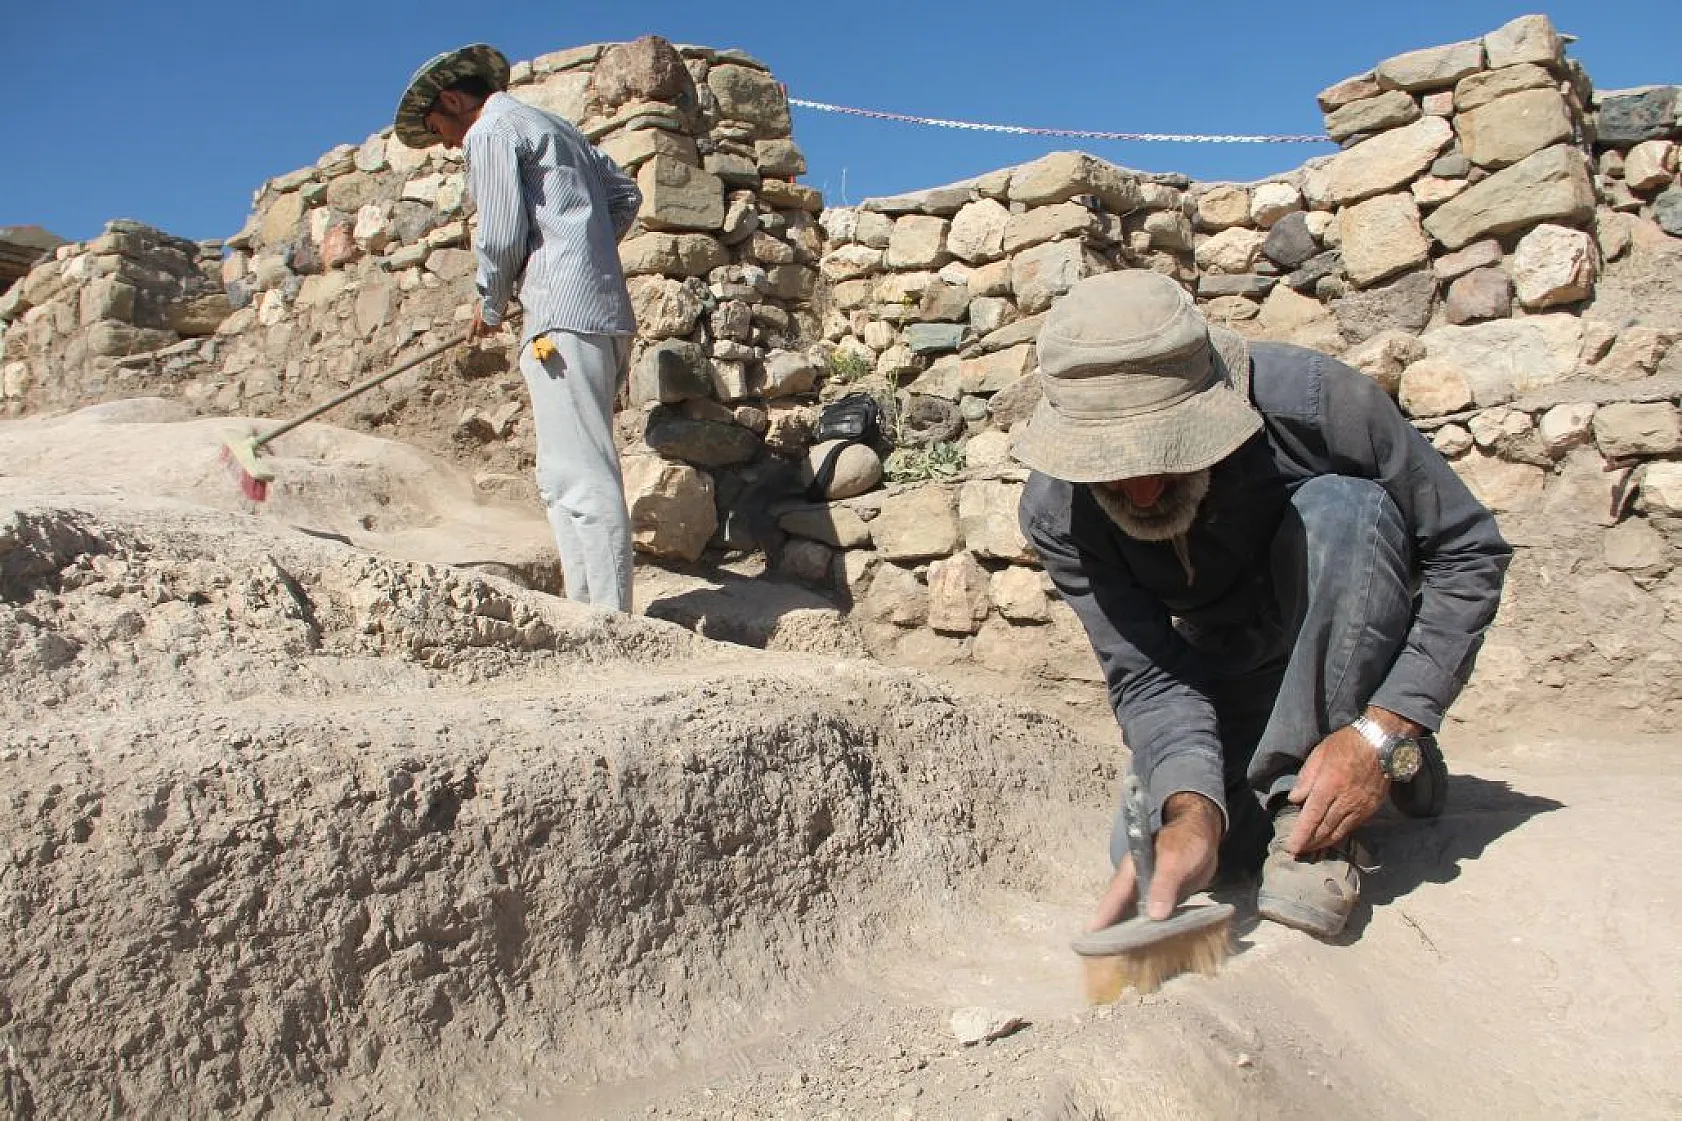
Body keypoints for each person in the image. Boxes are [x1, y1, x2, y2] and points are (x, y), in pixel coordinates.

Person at [1013, 270, 1511, 939]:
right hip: (1231, 671)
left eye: (1165, 449)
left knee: (1344, 510)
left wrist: (1384, 730)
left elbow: (1469, 551)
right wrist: (1195, 814)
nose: (1140, 490)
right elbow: (1152, 676)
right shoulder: (1058, 512)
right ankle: (1324, 777)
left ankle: (1339, 795)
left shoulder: (1315, 404)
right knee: (1177, 852)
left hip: (1349, 631)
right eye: (1110, 463)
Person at [394, 44, 644, 612]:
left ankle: (608, 617)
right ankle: (587, 610)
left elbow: (502, 232)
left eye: (439, 129)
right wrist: (586, 250)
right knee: (563, 472)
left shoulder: (491, 131)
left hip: (559, 315)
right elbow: (625, 194)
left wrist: (489, 303)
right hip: (598, 311)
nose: (448, 144)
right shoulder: (555, 126)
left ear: (455, 100)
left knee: (578, 472)